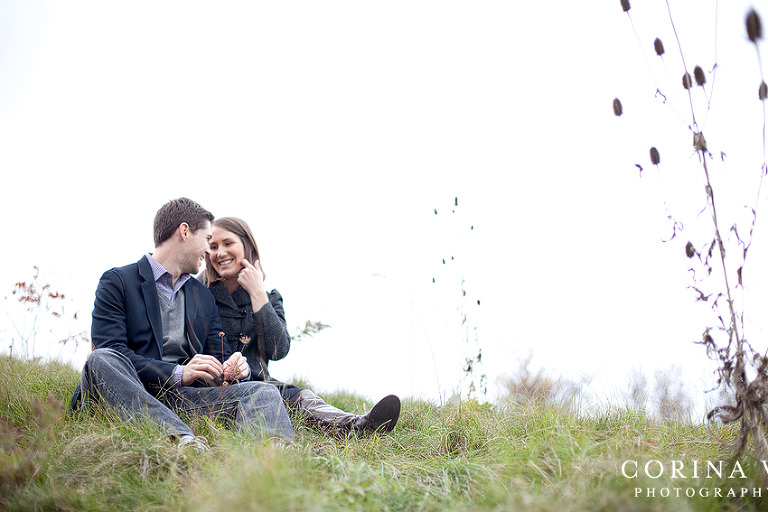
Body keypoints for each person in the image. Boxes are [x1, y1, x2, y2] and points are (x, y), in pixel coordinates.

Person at [70, 198, 294, 450]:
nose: (209, 251)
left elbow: (216, 358)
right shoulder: (118, 281)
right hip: (127, 393)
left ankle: (274, 460)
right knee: (101, 358)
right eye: (207, 239)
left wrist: (232, 368)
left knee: (262, 391)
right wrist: (179, 373)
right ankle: (184, 443)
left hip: (182, 400)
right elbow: (112, 350)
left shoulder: (203, 296)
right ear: (185, 231)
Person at [202, 217, 400, 436]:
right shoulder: (200, 294)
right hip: (216, 388)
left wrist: (257, 292)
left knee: (301, 397)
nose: (220, 252)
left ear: (247, 246)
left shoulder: (269, 298)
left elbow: (278, 350)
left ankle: (358, 426)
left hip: (265, 386)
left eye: (228, 243)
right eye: (213, 246)